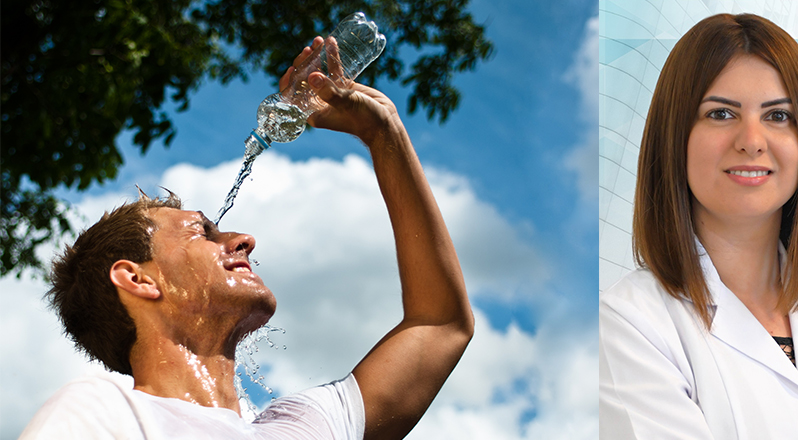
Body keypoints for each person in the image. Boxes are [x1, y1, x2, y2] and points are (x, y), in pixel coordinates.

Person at [21, 36, 474, 440]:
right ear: (138, 279)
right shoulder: (105, 415)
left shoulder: (306, 425)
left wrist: (384, 132)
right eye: (203, 232)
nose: (245, 240)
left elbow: (440, 324)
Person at [599, 13, 798, 440]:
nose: (751, 139)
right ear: (675, 137)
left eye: (779, 116)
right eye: (721, 113)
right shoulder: (628, 324)